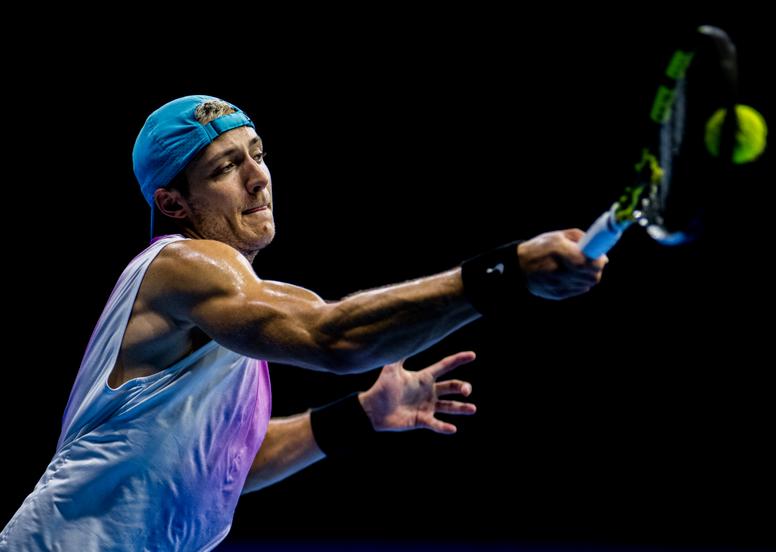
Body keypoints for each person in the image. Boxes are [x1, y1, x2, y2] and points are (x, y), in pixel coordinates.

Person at [0, 95, 606, 551]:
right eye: (226, 167)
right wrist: (506, 272)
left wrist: (360, 414)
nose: (258, 176)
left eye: (257, 154)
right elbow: (331, 337)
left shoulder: (229, 305)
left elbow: (228, 462)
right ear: (173, 203)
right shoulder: (185, 265)